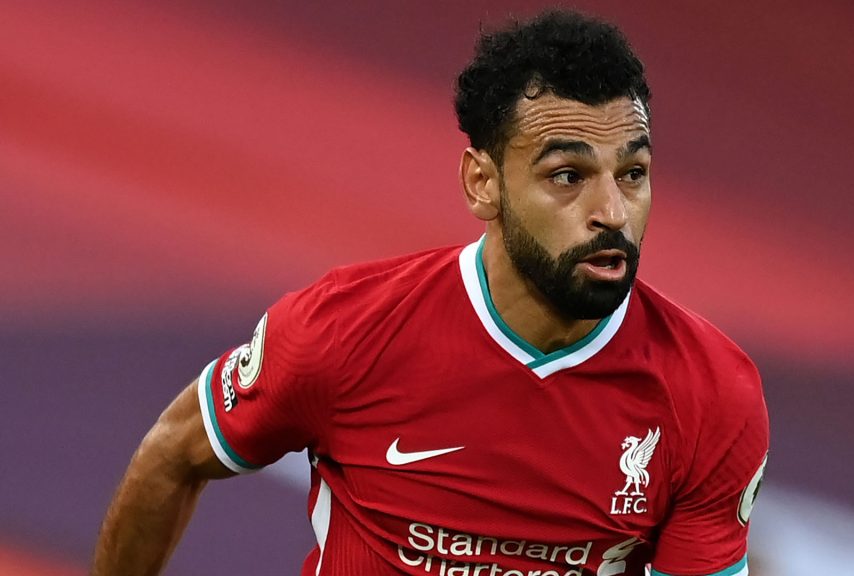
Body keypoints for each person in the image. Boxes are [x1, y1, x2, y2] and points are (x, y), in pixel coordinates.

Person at [92, 9, 769, 576]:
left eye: (634, 172)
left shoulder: (710, 394)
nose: (613, 213)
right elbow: (173, 456)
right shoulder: (344, 333)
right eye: (568, 176)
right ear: (483, 183)